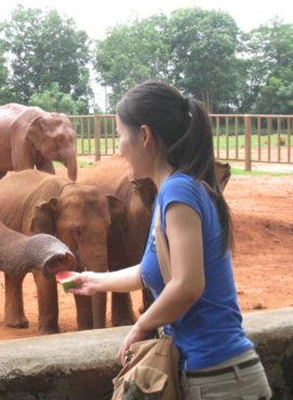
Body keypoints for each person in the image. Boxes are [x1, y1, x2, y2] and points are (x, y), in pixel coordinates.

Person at [65, 81, 272, 400]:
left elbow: (188, 285)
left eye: (120, 134)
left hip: (220, 380)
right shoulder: (176, 191)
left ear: (144, 136)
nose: (118, 148)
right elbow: (151, 272)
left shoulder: (179, 191)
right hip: (215, 376)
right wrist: (95, 280)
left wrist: (141, 325)